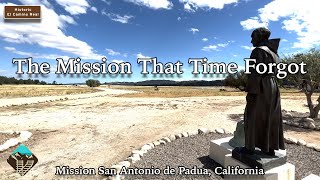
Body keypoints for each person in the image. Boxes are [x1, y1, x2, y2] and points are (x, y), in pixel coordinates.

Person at [243, 27, 285, 156]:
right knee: (270, 117)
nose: (251, 41)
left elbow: (254, 74)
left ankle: (249, 148)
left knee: (251, 116)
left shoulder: (258, 51)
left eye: (253, 37)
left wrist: (251, 92)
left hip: (261, 87)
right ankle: (270, 148)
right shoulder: (274, 53)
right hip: (273, 86)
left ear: (260, 37)